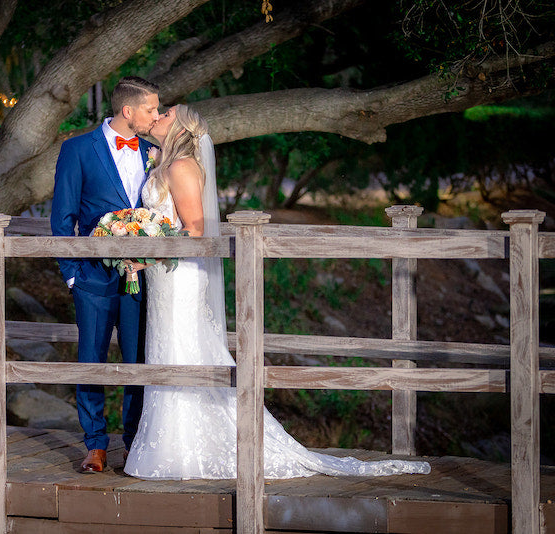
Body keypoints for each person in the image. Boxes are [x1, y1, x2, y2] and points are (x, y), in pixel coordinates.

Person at [123, 105, 431, 479]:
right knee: (166, 350)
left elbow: (197, 230)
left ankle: (190, 446)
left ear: (182, 127)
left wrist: (148, 250)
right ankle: (170, 443)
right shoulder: (162, 164)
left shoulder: (182, 166)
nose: (159, 114)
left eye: (167, 112)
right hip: (163, 276)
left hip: (179, 275)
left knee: (182, 348)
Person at [50, 76, 160, 473]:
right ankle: (95, 444)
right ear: (128, 111)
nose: (156, 116)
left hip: (140, 278)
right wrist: (72, 276)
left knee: (137, 362)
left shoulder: (154, 152)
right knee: (91, 359)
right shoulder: (78, 149)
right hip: (92, 278)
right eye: (151, 109)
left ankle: (132, 443)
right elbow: (62, 217)